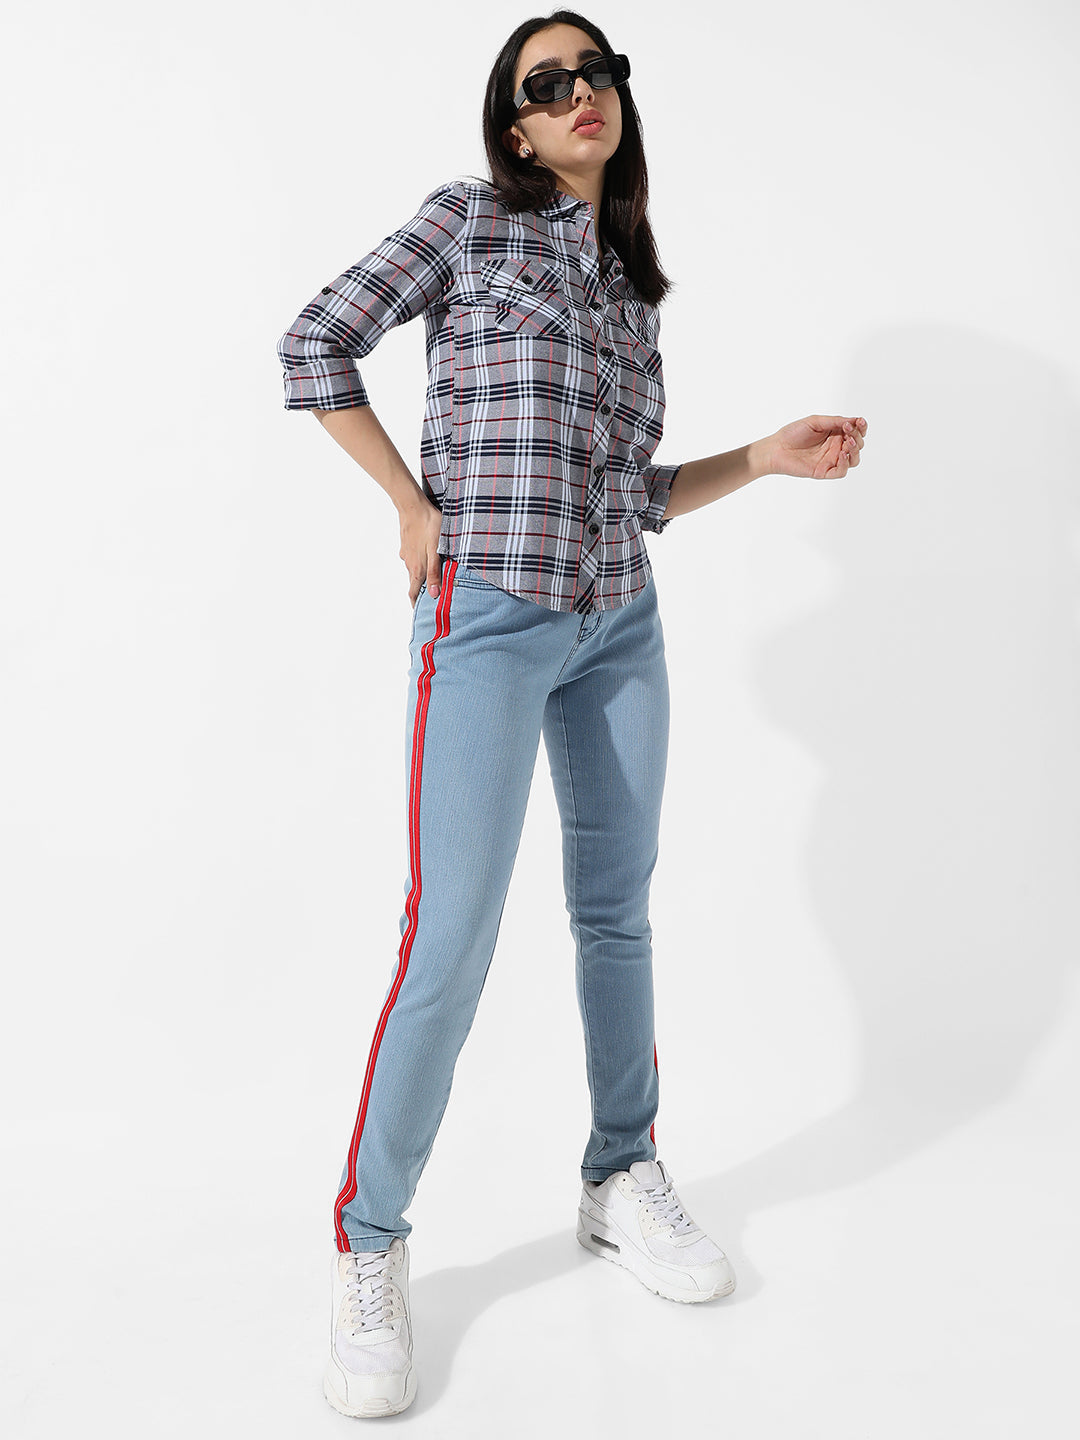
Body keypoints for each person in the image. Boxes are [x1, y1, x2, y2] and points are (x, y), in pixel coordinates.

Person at [277, 8, 866, 1420]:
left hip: (618, 621)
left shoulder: (629, 280)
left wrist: (761, 459)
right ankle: (370, 1240)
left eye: (598, 71)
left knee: (617, 912)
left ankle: (620, 1171)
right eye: (549, 82)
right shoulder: (469, 222)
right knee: (452, 932)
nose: (581, 91)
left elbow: (629, 492)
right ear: (517, 126)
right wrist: (410, 506)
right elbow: (313, 345)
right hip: (485, 618)